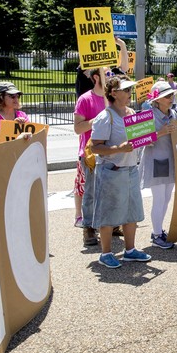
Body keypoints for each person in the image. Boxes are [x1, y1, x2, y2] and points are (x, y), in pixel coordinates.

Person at [89, 76, 152, 268]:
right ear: (113, 93)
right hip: (111, 170)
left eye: (129, 89)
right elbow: (94, 147)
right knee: (108, 213)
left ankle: (130, 250)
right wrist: (118, 149)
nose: (129, 93)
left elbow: (139, 138)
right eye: (125, 90)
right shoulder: (105, 117)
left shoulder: (131, 112)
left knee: (131, 211)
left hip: (130, 169)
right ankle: (105, 253)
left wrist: (146, 137)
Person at [139, 81, 177, 249]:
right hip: (156, 161)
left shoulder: (174, 114)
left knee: (167, 198)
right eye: (167, 96)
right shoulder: (147, 114)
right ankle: (156, 234)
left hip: (170, 160)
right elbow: (140, 140)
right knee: (159, 199)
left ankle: (158, 230)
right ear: (158, 99)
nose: (171, 98)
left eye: (171, 95)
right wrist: (160, 132)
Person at [74, 68, 108, 246]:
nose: (110, 77)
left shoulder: (112, 99)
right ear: (96, 77)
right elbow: (78, 128)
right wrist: (99, 119)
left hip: (111, 151)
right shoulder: (85, 99)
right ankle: (88, 228)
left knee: (110, 190)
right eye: (107, 74)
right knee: (91, 192)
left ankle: (110, 224)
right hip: (90, 153)